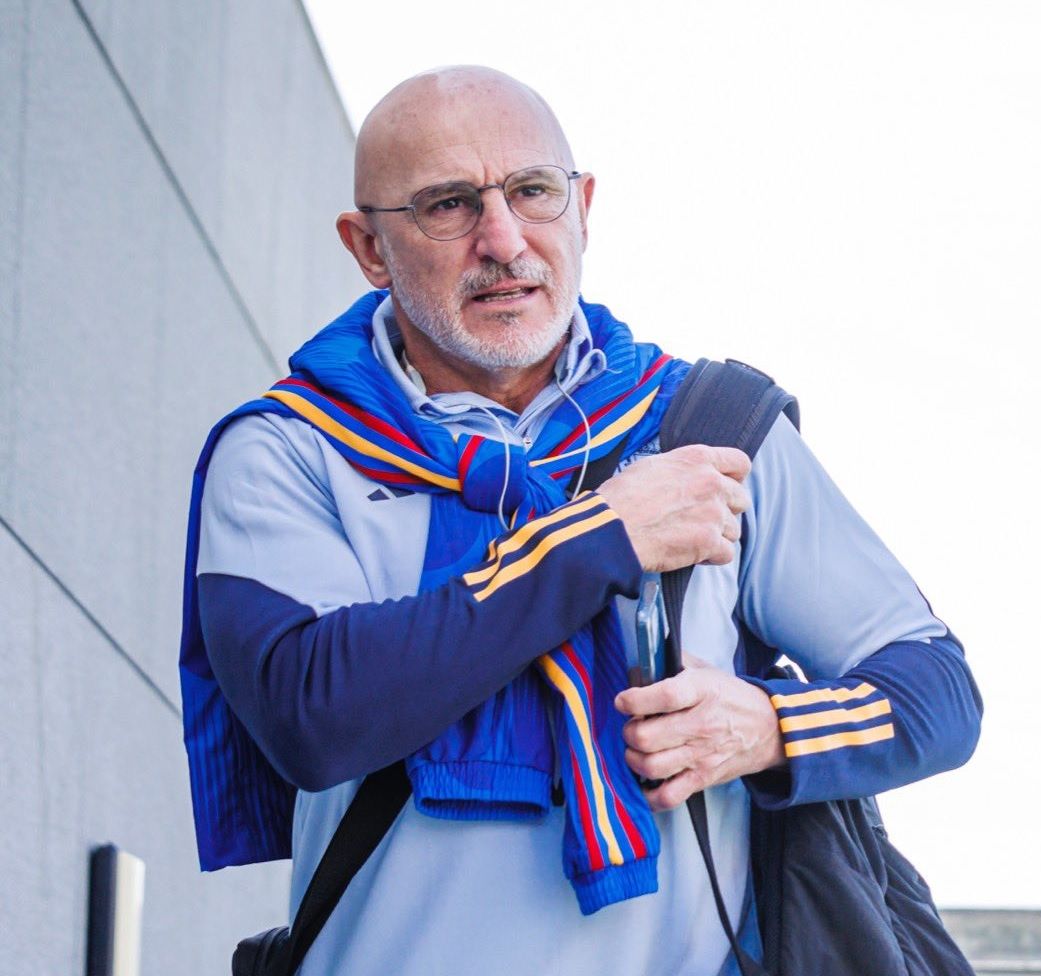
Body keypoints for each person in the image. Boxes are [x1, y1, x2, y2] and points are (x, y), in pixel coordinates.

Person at [179, 66, 982, 976]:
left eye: (532, 191)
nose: (503, 240)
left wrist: (769, 727)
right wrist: (598, 537)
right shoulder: (287, 448)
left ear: (583, 207)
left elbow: (939, 694)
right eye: (449, 205)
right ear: (369, 248)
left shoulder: (710, 430)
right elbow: (311, 714)